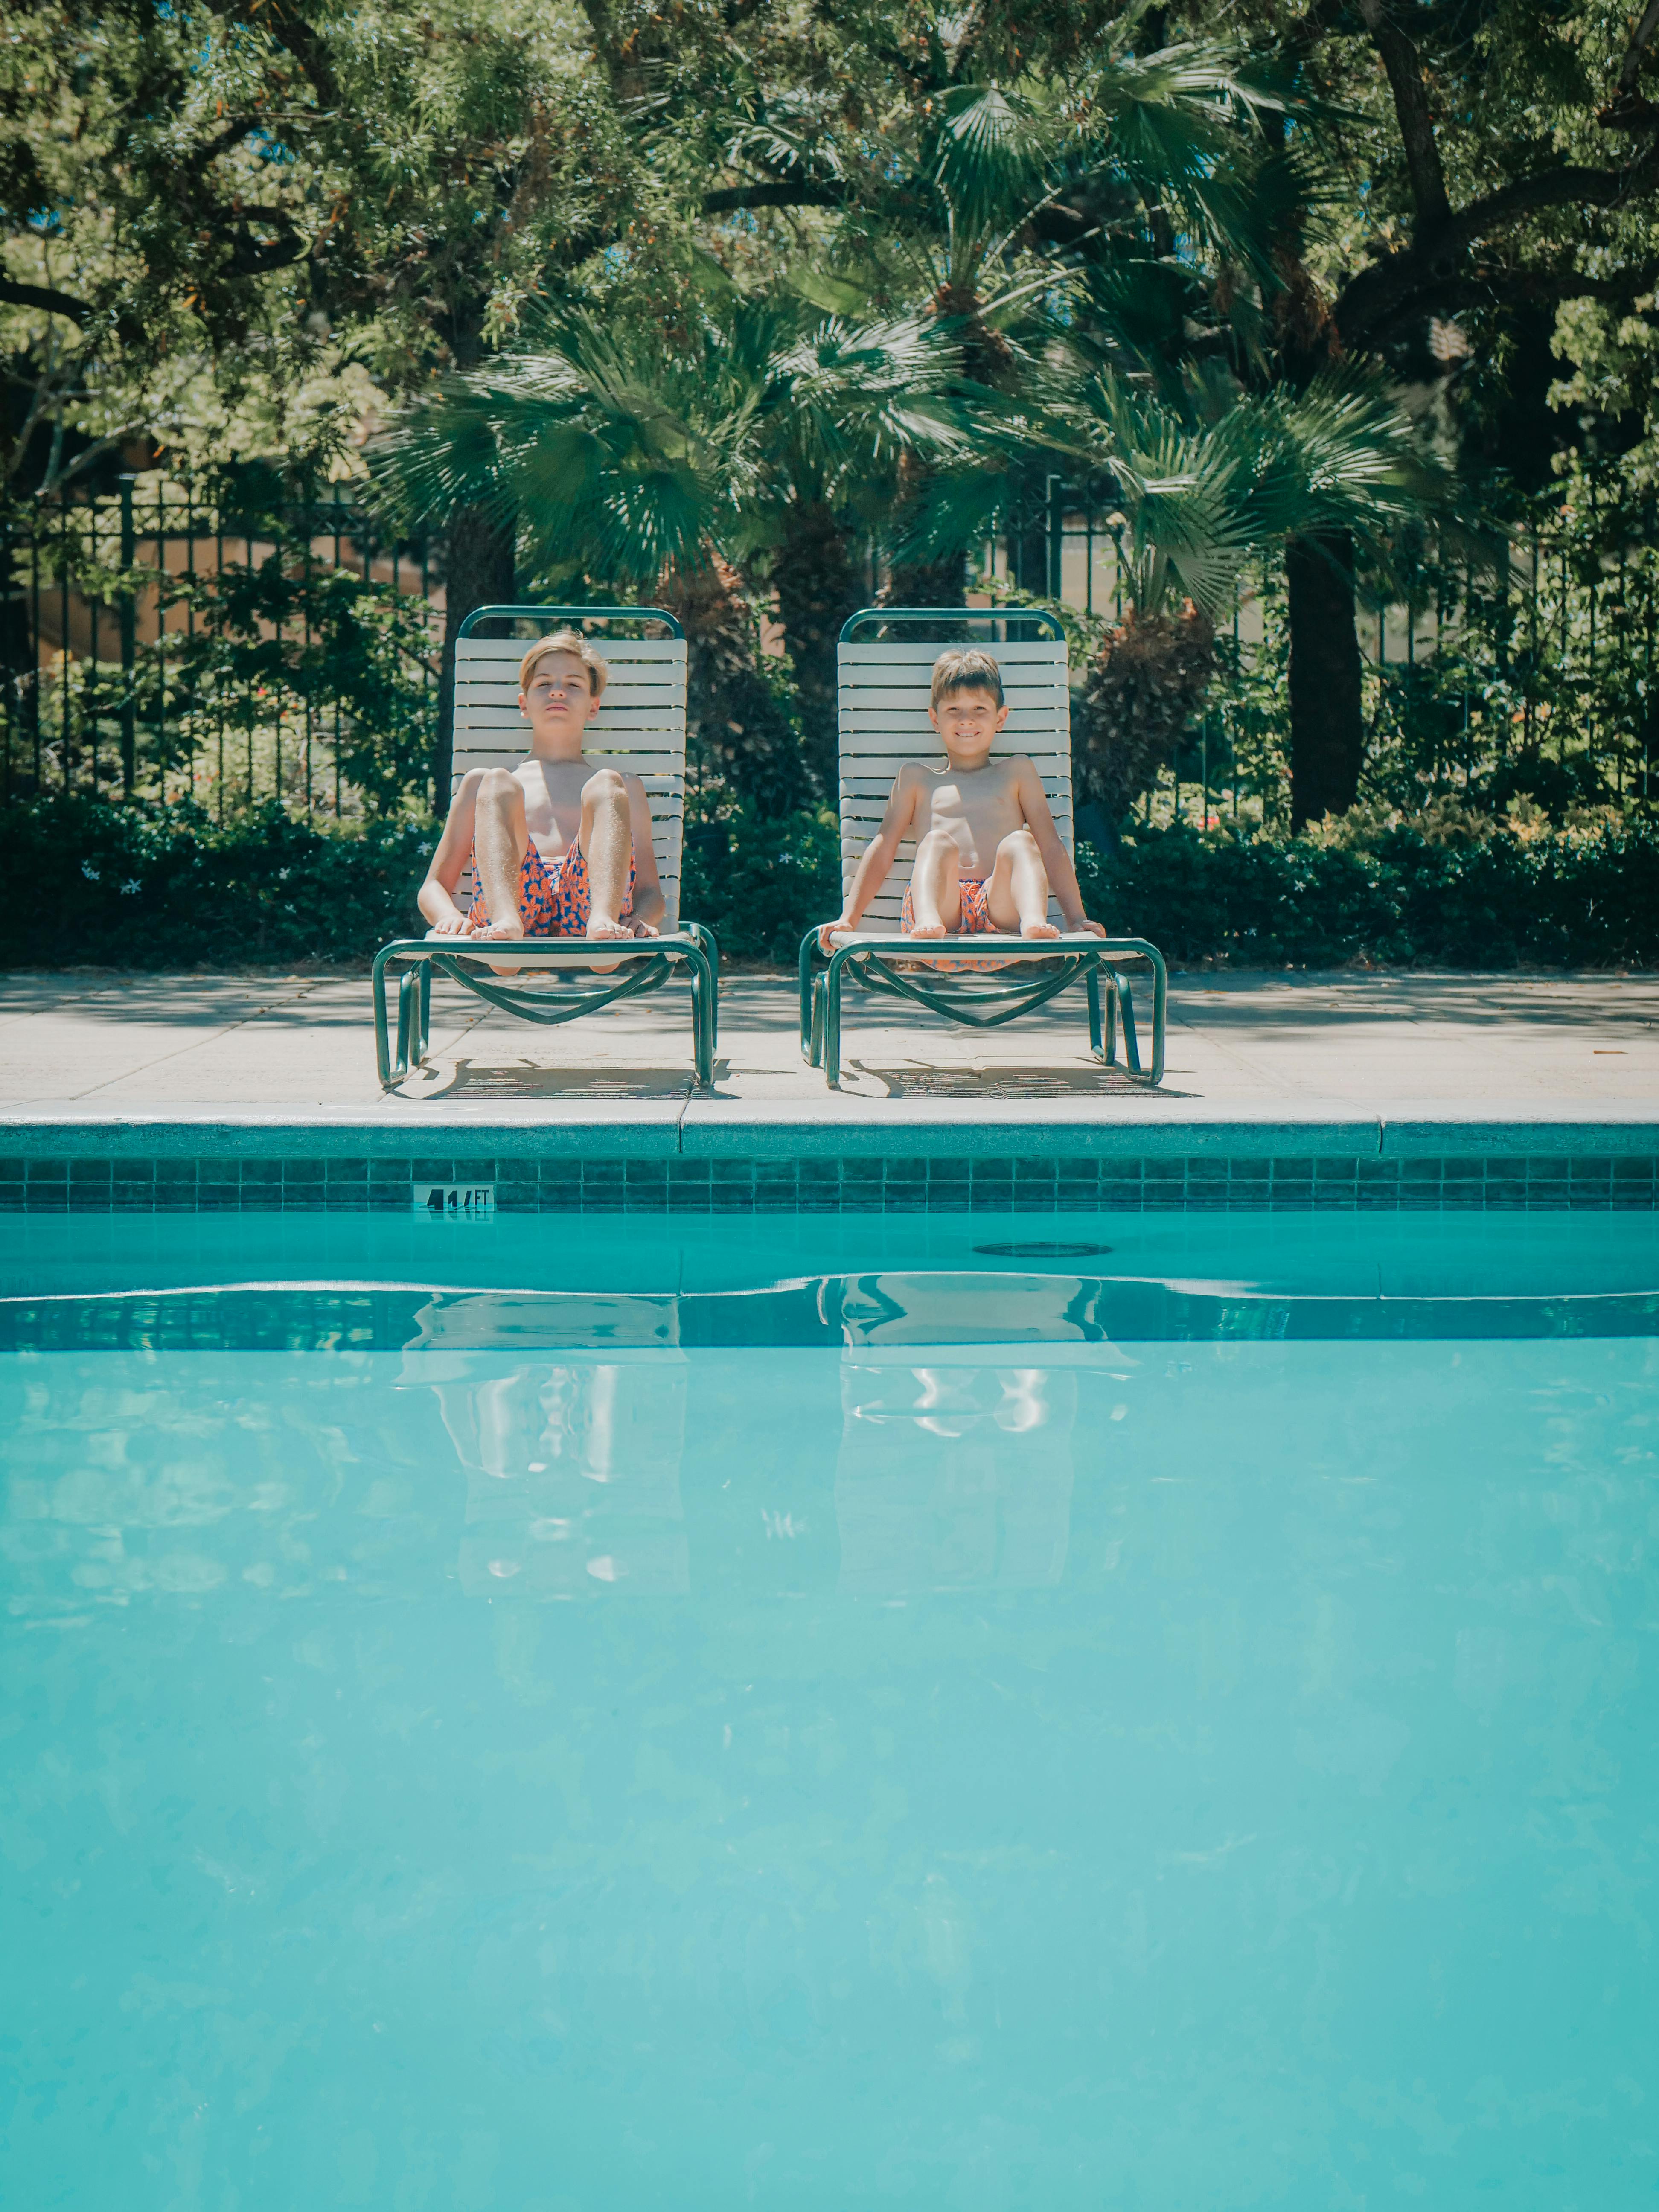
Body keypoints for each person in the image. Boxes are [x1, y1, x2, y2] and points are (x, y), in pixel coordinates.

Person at [818, 646, 1105, 953]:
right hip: (941, 910)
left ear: (1001, 718)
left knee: (1022, 842)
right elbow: (883, 847)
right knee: (936, 841)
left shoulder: (1017, 773)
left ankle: (1033, 922)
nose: (966, 720)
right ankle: (926, 920)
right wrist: (849, 917)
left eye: (979, 710)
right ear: (935, 719)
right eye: (954, 710)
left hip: (1002, 912)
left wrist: (1077, 919)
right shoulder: (917, 779)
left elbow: (1050, 846)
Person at [418, 631, 664, 958]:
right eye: (544, 683)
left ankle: (603, 920)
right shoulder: (486, 788)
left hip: (591, 911)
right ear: (524, 703)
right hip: (511, 911)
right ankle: (506, 919)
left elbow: (650, 892)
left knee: (608, 782)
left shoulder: (619, 790)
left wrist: (641, 919)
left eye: (574, 684)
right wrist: (449, 918)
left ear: (594, 707)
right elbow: (432, 887)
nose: (558, 690)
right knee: (495, 781)